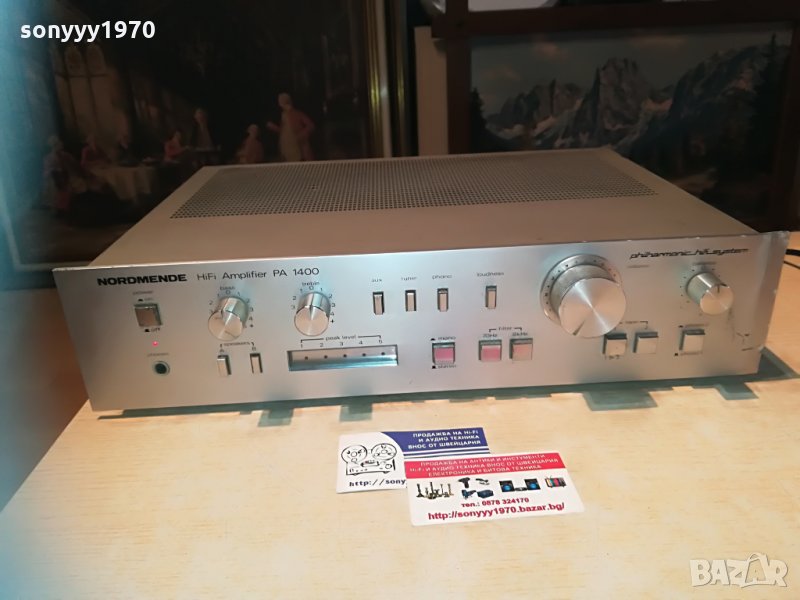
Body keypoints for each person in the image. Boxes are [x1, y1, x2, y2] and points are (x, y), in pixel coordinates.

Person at [266, 92, 315, 162]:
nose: (279, 103)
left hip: (295, 146)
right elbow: (283, 131)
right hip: (285, 146)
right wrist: (273, 127)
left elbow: (310, 125)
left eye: (280, 100)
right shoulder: (283, 114)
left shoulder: (296, 113)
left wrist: (302, 134)